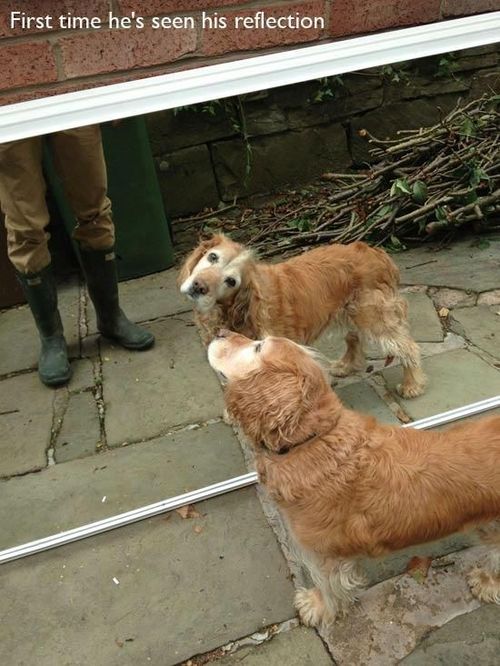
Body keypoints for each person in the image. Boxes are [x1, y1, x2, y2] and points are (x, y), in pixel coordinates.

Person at [0, 124, 154, 387]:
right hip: (8, 112)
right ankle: (51, 337)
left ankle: (111, 318)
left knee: (95, 212)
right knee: (25, 229)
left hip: (66, 94)